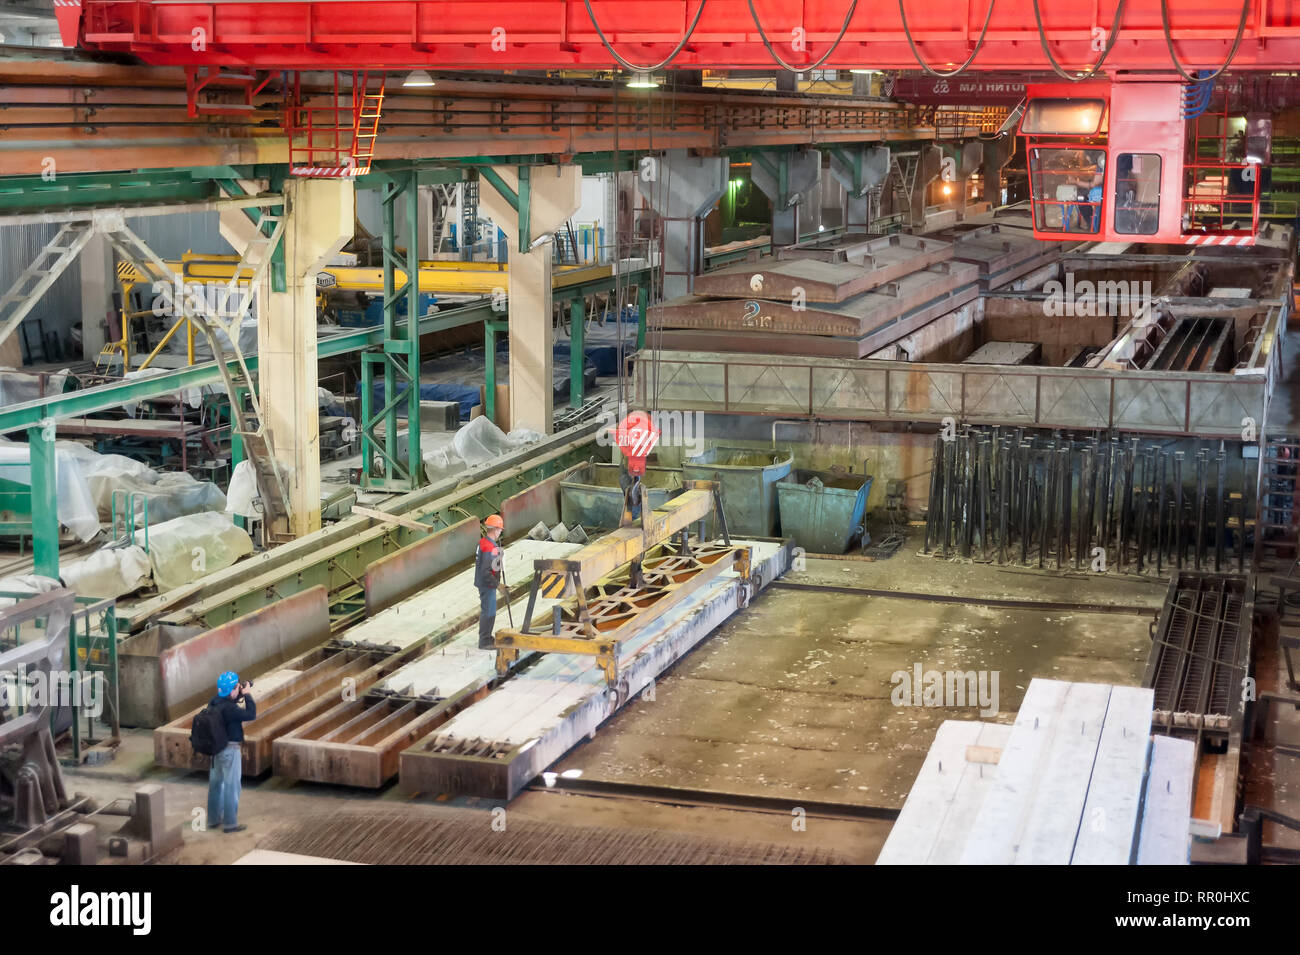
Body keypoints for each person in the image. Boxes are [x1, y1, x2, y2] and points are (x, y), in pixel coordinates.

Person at [207, 670, 256, 834]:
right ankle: (230, 823)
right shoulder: (230, 709)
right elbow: (251, 714)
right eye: (237, 686)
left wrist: (238, 694)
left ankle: (213, 819)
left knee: (216, 784)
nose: (240, 688)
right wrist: (247, 694)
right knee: (231, 786)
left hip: (216, 750)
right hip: (230, 749)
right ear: (232, 689)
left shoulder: (213, 701)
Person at [476, 514, 506, 650]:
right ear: (494, 529)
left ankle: (486, 637)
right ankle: (485, 641)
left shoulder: (484, 542)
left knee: (488, 610)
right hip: (487, 584)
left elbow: (489, 565)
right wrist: (498, 585)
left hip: (485, 582)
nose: (500, 532)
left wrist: (498, 557)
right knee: (489, 612)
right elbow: (486, 571)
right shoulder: (490, 548)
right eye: (500, 529)